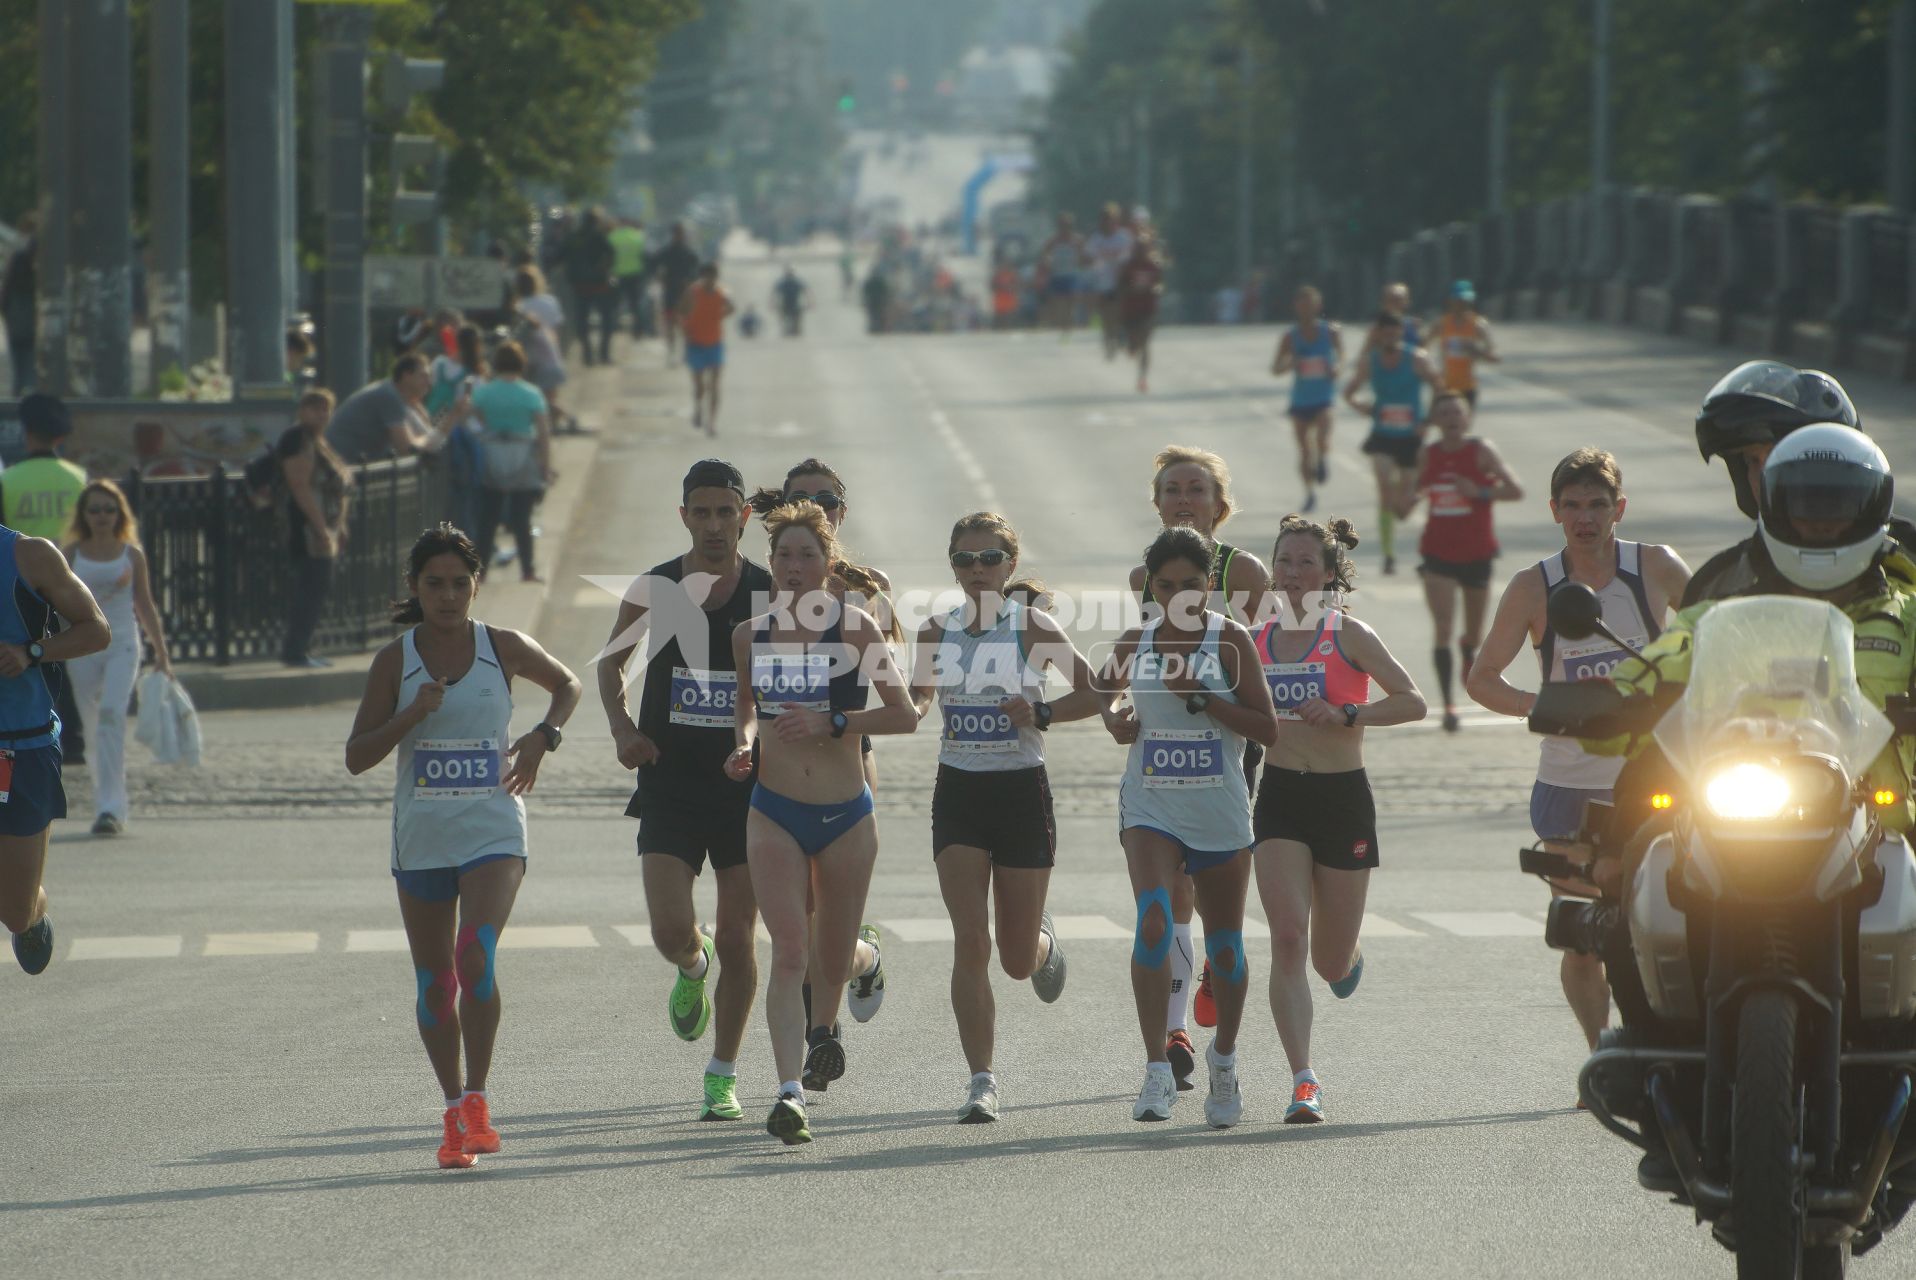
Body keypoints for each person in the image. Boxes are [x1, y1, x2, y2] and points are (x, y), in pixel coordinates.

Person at [346, 524, 581, 1168]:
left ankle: (479, 1099)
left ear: (477, 585)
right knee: (434, 985)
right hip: (421, 836)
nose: (448, 597)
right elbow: (357, 757)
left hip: (493, 828)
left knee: (474, 955)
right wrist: (408, 716)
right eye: (434, 585)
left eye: (459, 584)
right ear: (414, 588)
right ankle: (451, 1110)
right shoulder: (396, 660)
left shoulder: (500, 647)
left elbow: (567, 685)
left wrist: (542, 737)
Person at [1465, 448, 1689, 1051]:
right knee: (1585, 932)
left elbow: (1716, 640)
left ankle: (1659, 1040)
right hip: (1569, 786)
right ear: (1555, 512)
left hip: (1655, 777)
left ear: (1619, 509)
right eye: (1572, 506)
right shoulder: (1533, 586)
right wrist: (1545, 712)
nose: (1585, 518)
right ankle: (1600, 1055)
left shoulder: (1656, 567)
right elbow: (1482, 677)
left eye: (1597, 505)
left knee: (1659, 922)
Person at [725, 500, 917, 1144]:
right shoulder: (749, 634)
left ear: (828, 562)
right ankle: (788, 1092)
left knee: (830, 959)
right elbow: (745, 709)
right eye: (784, 556)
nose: (795, 566)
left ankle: (865, 962)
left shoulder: (856, 627)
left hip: (845, 814)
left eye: (808, 555)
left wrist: (836, 722)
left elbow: (904, 714)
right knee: (789, 952)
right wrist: (745, 745)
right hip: (773, 811)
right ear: (771, 565)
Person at [907, 513, 1103, 1123]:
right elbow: (917, 698)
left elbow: (1095, 692)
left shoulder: (1032, 627)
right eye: (964, 560)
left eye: (988, 559)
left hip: (1021, 792)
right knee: (971, 941)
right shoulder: (935, 632)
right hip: (959, 792)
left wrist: (1041, 714)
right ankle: (981, 1082)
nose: (976, 571)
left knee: (1014, 959)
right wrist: (902, 701)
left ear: (1009, 565)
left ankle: (1043, 946)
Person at [599, 459, 770, 1123]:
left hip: (743, 786)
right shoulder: (657, 588)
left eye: (726, 512)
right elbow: (611, 667)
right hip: (668, 779)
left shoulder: (765, 594)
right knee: (674, 930)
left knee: (739, 937)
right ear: (684, 518)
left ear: (744, 518)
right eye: (701, 513)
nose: (714, 525)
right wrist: (621, 729)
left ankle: (722, 1074)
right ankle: (690, 970)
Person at [1100, 526, 1281, 1126]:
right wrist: (1117, 718)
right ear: (1151, 587)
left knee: (1225, 945)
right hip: (1151, 805)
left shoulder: (1230, 642)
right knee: (1153, 921)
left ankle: (1224, 1059)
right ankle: (1156, 1069)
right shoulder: (1137, 639)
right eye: (1167, 584)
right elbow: (1104, 694)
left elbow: (1266, 728)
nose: (1179, 594)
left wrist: (1203, 698)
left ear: (1210, 586)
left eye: (1192, 584)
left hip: (1219, 808)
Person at [1253, 515, 1427, 1123]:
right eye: (1284, 563)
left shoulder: (1348, 633)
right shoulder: (1254, 639)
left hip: (1342, 798)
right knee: (1286, 938)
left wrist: (1349, 713)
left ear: (1329, 576)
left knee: (1327, 960)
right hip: (1279, 797)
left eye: (1305, 564)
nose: (1293, 574)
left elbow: (1412, 701)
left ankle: (1348, 959)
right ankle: (1303, 1080)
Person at [1126, 446, 1271, 1087]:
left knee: (1217, 912)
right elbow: (1132, 665)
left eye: (1197, 489)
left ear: (1220, 503)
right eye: (1172, 489)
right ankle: (1175, 1029)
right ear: (1156, 502)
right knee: (1165, 901)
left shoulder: (1246, 573)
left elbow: (1258, 658)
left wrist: (1206, 693)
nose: (1184, 499)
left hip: (1229, 744)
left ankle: (1216, 981)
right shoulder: (1145, 578)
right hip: (1161, 759)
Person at [1682, 361, 1916, 605]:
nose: (1765, 475)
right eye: (1753, 460)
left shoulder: (1909, 554)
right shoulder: (1716, 583)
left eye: (1781, 458)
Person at [0, 503, 110, 976]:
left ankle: (31, 916)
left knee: (14, 908)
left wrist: (31, 651)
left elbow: (97, 630)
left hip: (21, 747)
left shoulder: (29, 556)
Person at [1401, 391, 1523, 731]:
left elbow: (1515, 490)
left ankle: (1468, 653)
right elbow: (1403, 503)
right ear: (1436, 421)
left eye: (1458, 413)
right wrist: (1408, 496)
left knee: (1472, 633)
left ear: (1467, 418)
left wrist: (1479, 491)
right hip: (1437, 552)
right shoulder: (1429, 455)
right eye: (1445, 414)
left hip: (1477, 552)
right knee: (1442, 628)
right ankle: (1449, 706)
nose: (1452, 419)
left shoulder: (1481, 451)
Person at [60, 480, 171, 836]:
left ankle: (113, 807)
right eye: (95, 510)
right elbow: (58, 603)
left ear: (119, 513)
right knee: (93, 728)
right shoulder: (72, 553)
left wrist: (162, 653)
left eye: (109, 509)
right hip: (83, 649)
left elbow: (145, 603)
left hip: (123, 644)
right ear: (84, 515)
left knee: (111, 717)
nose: (102, 516)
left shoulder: (131, 554)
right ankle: (104, 799)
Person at [3, 395, 93, 767]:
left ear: (27, 432)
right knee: (64, 658)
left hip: (18, 586)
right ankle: (73, 739)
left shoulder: (10, 479)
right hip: (69, 574)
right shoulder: (78, 478)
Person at [1342, 312, 1443, 575]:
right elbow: (1349, 391)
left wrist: (1428, 420)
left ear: (1400, 333)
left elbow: (1439, 385)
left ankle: (1408, 494)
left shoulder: (1416, 358)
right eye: (1384, 332)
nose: (1390, 337)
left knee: (1403, 508)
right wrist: (1362, 407)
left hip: (1410, 436)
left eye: (1394, 332)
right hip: (1383, 436)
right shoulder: (1371, 361)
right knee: (1385, 491)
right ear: (1378, 334)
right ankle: (1388, 554)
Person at [279, 389, 355, 669]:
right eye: (315, 408)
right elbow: (299, 485)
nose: (321, 414)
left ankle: (302, 647)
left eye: (326, 409)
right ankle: (295, 651)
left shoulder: (318, 441)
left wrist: (340, 525)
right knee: (311, 588)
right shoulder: (297, 439)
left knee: (318, 587)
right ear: (302, 411)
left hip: (324, 529)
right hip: (306, 529)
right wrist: (321, 528)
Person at [466, 342, 552, 583]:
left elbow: (473, 418)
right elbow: (543, 432)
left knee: (488, 517)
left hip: (493, 452)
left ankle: (479, 571)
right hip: (523, 454)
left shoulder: (484, 392)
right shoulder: (531, 393)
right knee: (522, 518)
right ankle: (527, 570)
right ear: (522, 364)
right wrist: (545, 465)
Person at [1270, 285, 1343, 513]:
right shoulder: (1290, 337)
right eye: (1303, 306)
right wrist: (1291, 363)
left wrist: (1336, 368)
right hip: (1301, 400)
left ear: (1318, 306)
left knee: (1322, 436)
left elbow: (1341, 356)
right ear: (1296, 308)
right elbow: (1276, 368)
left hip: (1324, 397)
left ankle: (1322, 458)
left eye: (1311, 305)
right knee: (1303, 450)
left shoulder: (1330, 332)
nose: (1307, 310)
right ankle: (1309, 492)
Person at [324, 356, 443, 465]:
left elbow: (420, 434)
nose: (429, 383)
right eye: (423, 376)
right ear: (406, 376)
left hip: (354, 465)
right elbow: (406, 449)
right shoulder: (389, 396)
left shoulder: (396, 395)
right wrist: (431, 439)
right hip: (343, 465)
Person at [511, 267, 572, 435]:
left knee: (541, 399)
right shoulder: (550, 301)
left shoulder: (520, 306)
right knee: (551, 396)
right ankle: (555, 426)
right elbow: (557, 327)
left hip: (532, 358)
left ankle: (561, 420)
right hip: (551, 351)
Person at [678, 263, 734, 437]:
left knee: (715, 385)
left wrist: (718, 317)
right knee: (700, 385)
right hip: (696, 343)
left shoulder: (720, 293)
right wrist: (687, 329)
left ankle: (711, 423)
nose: (710, 281)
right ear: (703, 277)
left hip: (715, 343)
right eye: (707, 277)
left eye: (713, 277)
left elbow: (731, 308)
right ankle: (698, 408)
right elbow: (681, 311)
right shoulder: (693, 292)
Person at [565, 208, 618, 367]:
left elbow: (563, 255)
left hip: (580, 285)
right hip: (600, 284)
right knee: (607, 321)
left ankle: (587, 354)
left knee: (582, 322)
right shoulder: (599, 236)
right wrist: (604, 269)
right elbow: (611, 254)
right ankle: (604, 354)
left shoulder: (574, 236)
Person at [1084, 203, 1136, 361]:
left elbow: (1132, 257)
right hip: (1103, 283)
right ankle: (1108, 342)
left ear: (1116, 221)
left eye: (1111, 219)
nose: (1108, 223)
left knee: (1119, 314)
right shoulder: (1096, 239)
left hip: (1121, 283)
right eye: (1105, 219)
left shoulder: (1124, 237)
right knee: (1107, 317)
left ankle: (1119, 337)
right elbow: (1087, 257)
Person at [1434, 280, 1497, 408]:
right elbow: (1422, 347)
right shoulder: (1442, 324)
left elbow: (1493, 357)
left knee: (1463, 426)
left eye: (1467, 301)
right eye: (1459, 301)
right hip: (1446, 385)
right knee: (1447, 425)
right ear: (1451, 301)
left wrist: (1475, 351)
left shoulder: (1478, 325)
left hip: (1468, 386)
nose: (1463, 305)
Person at [648, 223, 702, 367]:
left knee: (685, 324)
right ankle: (671, 353)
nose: (679, 236)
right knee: (670, 324)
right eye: (677, 233)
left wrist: (690, 281)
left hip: (685, 293)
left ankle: (686, 352)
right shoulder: (667, 251)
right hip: (670, 292)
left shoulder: (689, 253)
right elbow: (652, 263)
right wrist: (658, 276)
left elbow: (697, 271)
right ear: (673, 234)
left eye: (681, 233)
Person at [1115, 235, 1163, 394]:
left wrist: (1155, 290)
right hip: (1130, 310)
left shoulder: (1154, 264)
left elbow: (1159, 284)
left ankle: (1142, 378)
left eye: (1144, 248)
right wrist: (1131, 291)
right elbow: (1120, 286)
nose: (1141, 251)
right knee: (1134, 345)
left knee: (1145, 344)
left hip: (1148, 309)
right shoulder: (1128, 266)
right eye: (1138, 248)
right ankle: (1130, 346)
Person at [1036, 213, 1086, 337]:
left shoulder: (1077, 240)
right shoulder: (1053, 241)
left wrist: (1081, 262)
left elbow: (1084, 257)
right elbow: (1044, 255)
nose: (1065, 228)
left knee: (1071, 305)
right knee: (1059, 306)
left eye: (1068, 225)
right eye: (1063, 225)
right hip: (1057, 276)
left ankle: (1069, 330)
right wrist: (1046, 261)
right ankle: (1060, 329)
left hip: (1072, 275)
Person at [2, 213, 36, 395]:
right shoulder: (38, 255)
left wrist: (5, 310)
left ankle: (18, 401)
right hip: (30, 319)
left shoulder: (18, 255)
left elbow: (6, 288)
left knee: (20, 368)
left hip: (16, 317)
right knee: (30, 368)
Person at [609, 217, 648, 340]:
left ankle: (614, 326)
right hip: (635, 274)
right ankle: (638, 329)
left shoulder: (612, 237)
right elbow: (644, 255)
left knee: (615, 302)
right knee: (635, 304)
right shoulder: (638, 236)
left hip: (617, 274)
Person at [773, 266, 808, 338]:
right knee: (790, 318)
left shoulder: (794, 282)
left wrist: (773, 303)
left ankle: (794, 330)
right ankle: (791, 330)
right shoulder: (784, 282)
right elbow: (775, 292)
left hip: (792, 303)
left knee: (794, 318)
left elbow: (806, 291)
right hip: (788, 303)